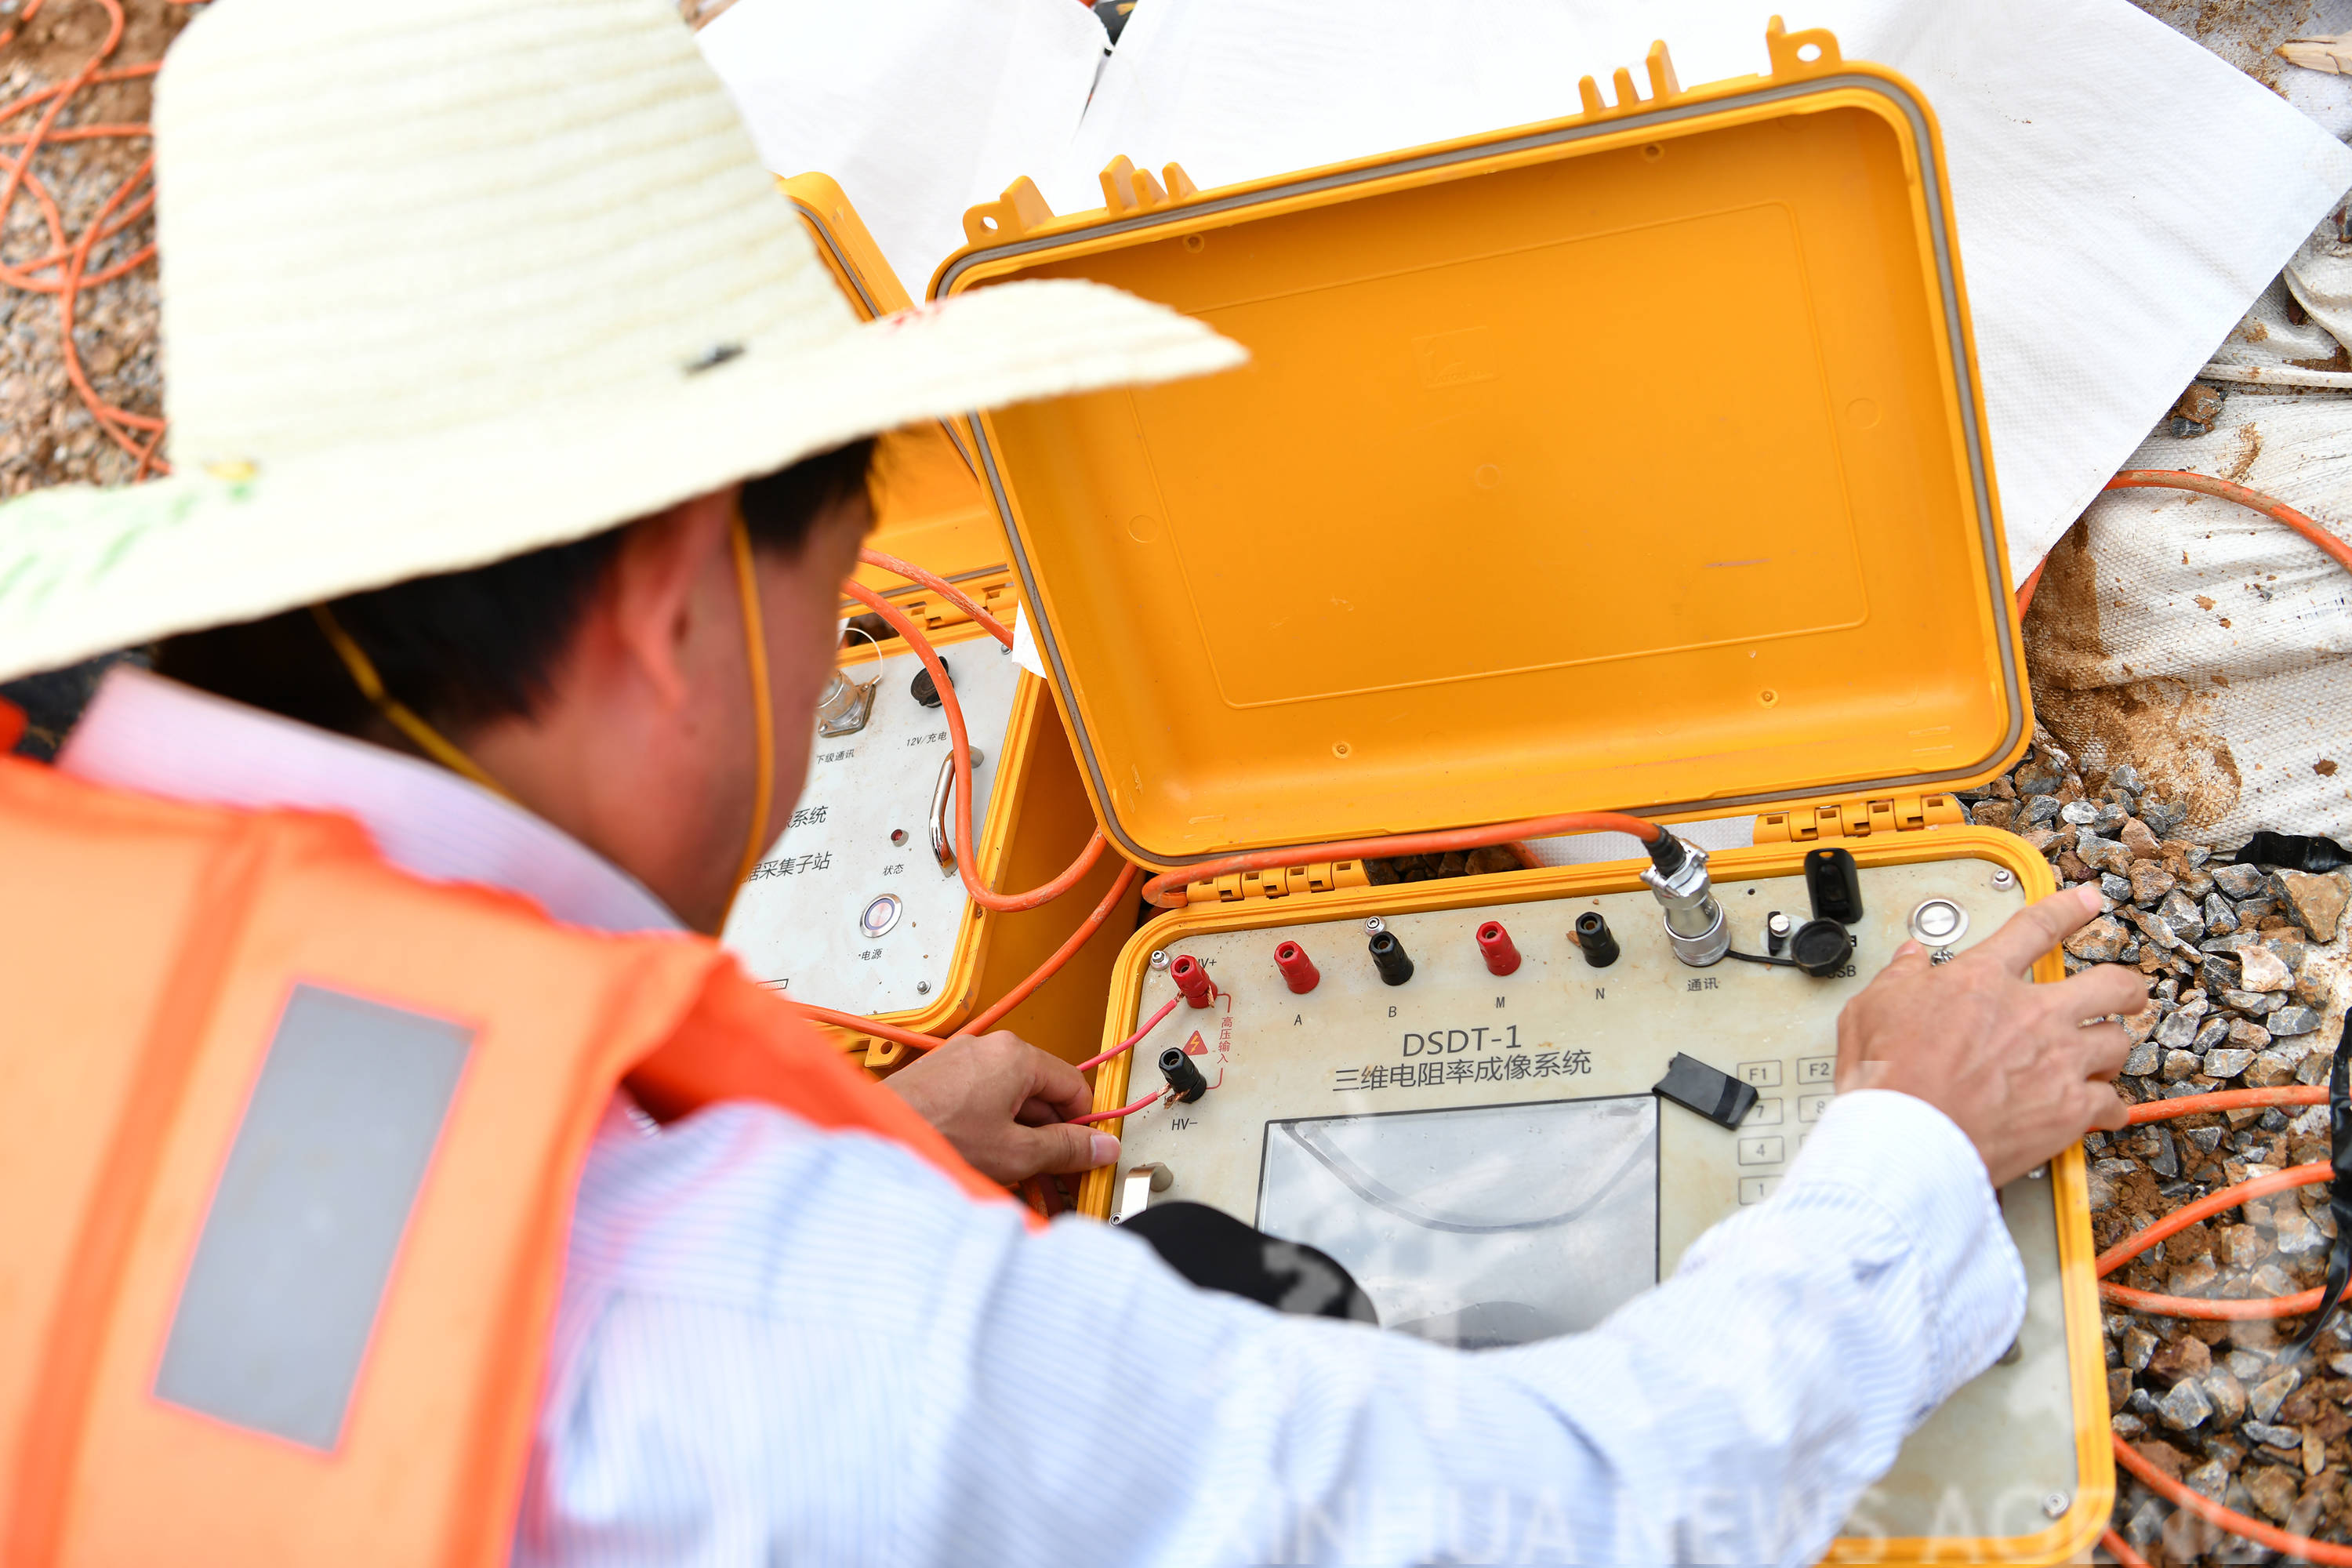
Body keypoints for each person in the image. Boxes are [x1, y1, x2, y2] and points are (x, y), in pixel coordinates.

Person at [0, 2, 2143, 1564]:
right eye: (843, 605)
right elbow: (1562, 1513)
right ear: (672, 608)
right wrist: (1907, 1158)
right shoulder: (778, 1332)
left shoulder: (63, 844)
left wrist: (836, 1122)